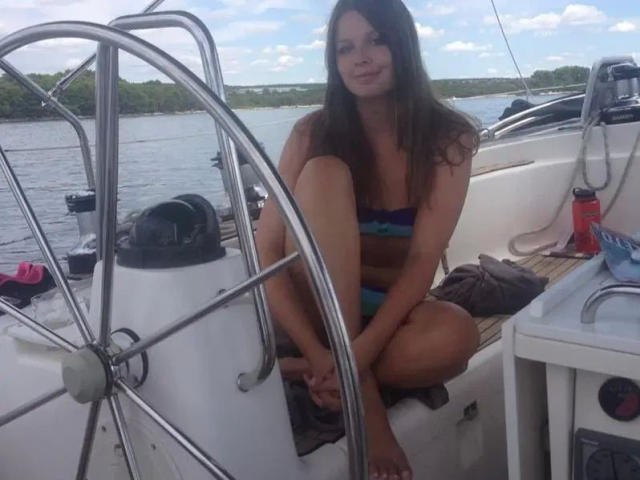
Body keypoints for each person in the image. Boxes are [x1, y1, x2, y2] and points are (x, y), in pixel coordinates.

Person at [256, 0, 480, 478]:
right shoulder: (312, 134)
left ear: (403, 46)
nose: (361, 58)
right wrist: (321, 349)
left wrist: (357, 352)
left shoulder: (449, 139)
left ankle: (316, 372)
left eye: (376, 41)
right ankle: (363, 400)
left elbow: (422, 260)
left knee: (458, 335)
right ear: (334, 62)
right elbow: (267, 250)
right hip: (314, 313)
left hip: (385, 319)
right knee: (324, 173)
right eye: (345, 48)